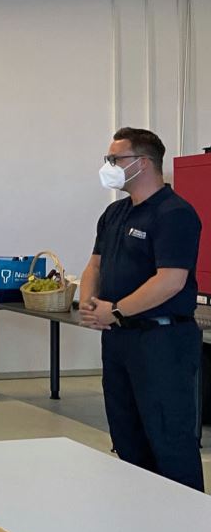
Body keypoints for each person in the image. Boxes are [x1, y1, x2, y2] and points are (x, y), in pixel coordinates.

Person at [78, 127, 204, 491]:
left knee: (168, 436)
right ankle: (139, 512)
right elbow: (95, 265)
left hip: (161, 341)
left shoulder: (174, 213)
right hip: (119, 340)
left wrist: (116, 310)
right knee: (126, 432)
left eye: (115, 159)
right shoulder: (114, 213)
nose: (109, 166)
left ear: (143, 163)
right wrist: (89, 301)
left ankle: (187, 518)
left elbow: (171, 280)